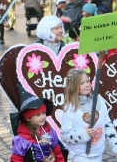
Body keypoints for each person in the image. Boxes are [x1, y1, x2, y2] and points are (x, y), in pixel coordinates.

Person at [61, 68, 117, 161]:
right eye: (82, 83)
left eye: (87, 81)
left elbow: (107, 124)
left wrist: (116, 146)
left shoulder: (99, 101)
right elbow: (65, 136)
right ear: (73, 86)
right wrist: (83, 134)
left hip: (98, 154)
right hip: (80, 156)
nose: (86, 85)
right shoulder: (71, 108)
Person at [36, 15, 69, 161]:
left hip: (65, 101)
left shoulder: (67, 48)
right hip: (45, 102)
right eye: (56, 28)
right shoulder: (35, 50)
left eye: (61, 27)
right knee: (47, 139)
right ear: (46, 30)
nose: (60, 31)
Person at [10, 84, 64, 161]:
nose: (42, 117)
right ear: (28, 118)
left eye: (44, 113)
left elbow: (57, 152)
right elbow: (16, 159)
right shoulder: (22, 140)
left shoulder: (50, 132)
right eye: (38, 115)